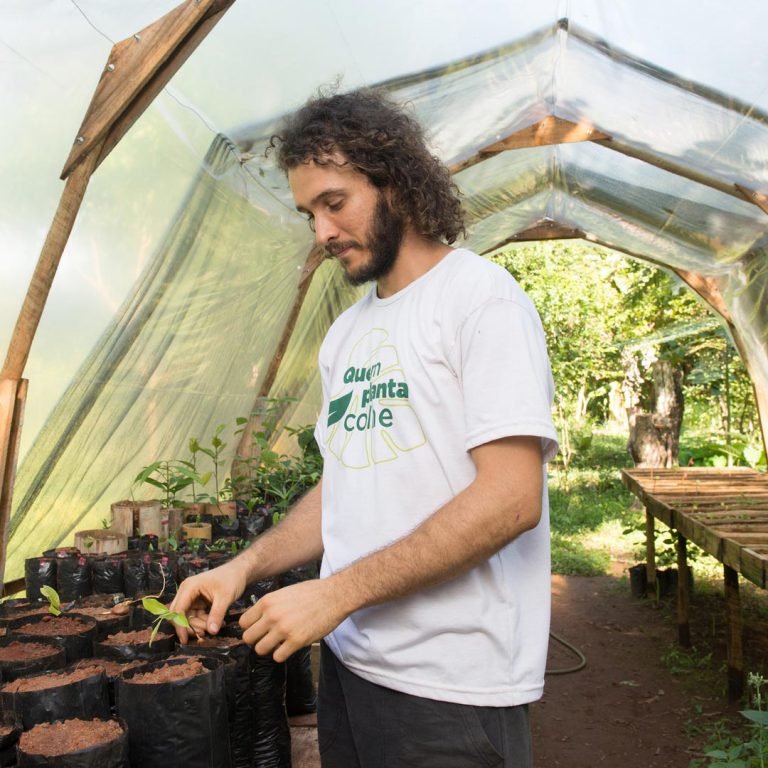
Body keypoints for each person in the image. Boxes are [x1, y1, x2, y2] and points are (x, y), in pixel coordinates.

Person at [171, 87, 558, 767]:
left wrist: (335, 593)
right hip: (353, 666)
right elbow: (347, 484)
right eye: (307, 213)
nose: (320, 233)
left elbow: (510, 498)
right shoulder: (346, 336)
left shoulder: (482, 301)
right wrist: (244, 565)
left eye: (334, 202)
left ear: (397, 184)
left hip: (451, 687)